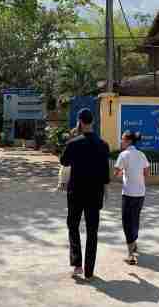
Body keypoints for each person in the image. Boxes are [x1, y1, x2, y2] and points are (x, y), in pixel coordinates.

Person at [61, 109, 110, 280]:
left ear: (80, 121)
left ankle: (77, 265)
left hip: (76, 191)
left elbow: (64, 161)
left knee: (73, 226)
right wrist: (106, 192)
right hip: (95, 193)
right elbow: (105, 173)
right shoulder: (103, 145)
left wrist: (71, 139)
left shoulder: (74, 143)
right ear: (93, 122)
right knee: (92, 231)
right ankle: (89, 271)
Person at [114, 131, 150, 265]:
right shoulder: (142, 154)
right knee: (135, 219)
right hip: (140, 193)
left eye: (123, 139)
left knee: (127, 222)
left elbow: (116, 173)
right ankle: (133, 243)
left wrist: (123, 173)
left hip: (128, 193)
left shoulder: (123, 155)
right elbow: (146, 173)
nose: (121, 141)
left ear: (129, 141)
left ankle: (130, 255)